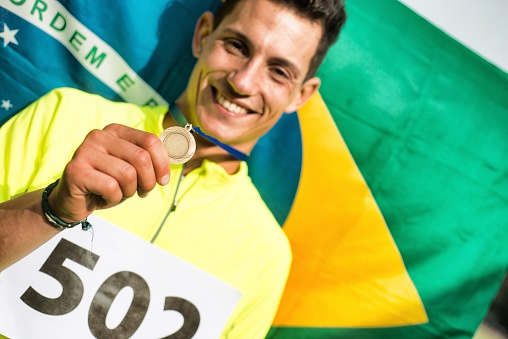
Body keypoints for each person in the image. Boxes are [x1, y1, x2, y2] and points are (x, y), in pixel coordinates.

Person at [0, 0, 346, 337]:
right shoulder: (64, 116)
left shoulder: (267, 255)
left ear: (301, 95)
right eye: (237, 46)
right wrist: (50, 210)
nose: (243, 83)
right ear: (203, 35)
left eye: (279, 71)